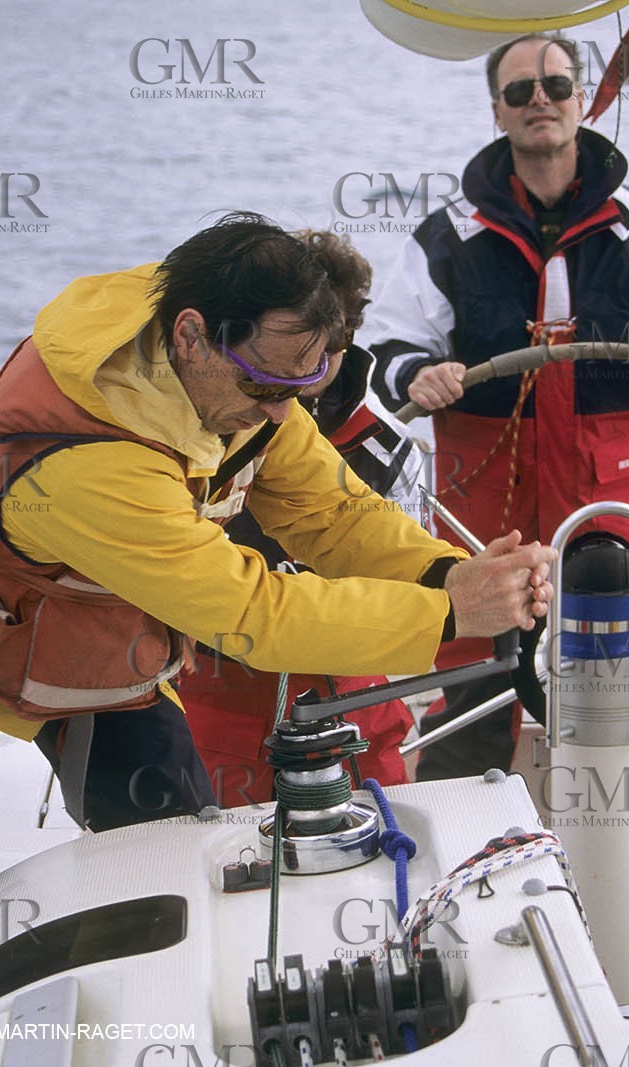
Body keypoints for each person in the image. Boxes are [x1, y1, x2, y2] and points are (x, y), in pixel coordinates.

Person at [0, 214, 554, 1067]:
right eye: (265, 388)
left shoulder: (236, 375)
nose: (280, 412)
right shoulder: (92, 460)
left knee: (175, 838)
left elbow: (329, 510)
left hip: (88, 643)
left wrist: (447, 574)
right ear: (192, 336)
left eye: (304, 388)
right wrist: (448, 617)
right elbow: (252, 613)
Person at [364, 33, 629, 980]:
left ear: (581, 97)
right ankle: (445, 906)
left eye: (556, 84)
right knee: (470, 708)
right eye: (520, 90)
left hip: (614, 521)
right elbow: (385, 352)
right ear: (497, 110)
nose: (540, 100)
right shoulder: (447, 239)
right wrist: (418, 374)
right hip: (488, 524)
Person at [181, 229, 420, 803]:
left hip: (353, 686)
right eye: (278, 362)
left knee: (384, 822)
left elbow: (405, 561)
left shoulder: (386, 447)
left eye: (321, 354)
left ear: (347, 338)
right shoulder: (198, 426)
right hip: (220, 683)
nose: (299, 375)